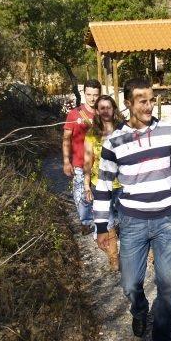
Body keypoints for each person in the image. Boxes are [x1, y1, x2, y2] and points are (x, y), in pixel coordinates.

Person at [95, 77, 171, 341]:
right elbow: (104, 186)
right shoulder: (114, 142)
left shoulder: (169, 132)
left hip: (167, 220)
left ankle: (162, 338)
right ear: (128, 103)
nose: (148, 105)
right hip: (132, 223)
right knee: (130, 284)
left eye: (151, 99)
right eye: (142, 100)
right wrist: (102, 227)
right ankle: (140, 309)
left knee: (169, 285)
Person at [83, 95, 124, 270]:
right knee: (108, 224)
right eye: (102, 108)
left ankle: (132, 256)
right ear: (98, 111)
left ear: (114, 109)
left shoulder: (123, 131)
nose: (106, 111)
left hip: (122, 185)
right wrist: (86, 185)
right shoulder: (92, 134)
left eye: (109, 107)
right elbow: (87, 161)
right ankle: (114, 259)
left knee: (125, 221)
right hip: (100, 185)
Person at [63, 79, 101, 234]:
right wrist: (66, 161)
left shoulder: (104, 113)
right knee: (82, 197)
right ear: (84, 93)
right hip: (79, 163)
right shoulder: (74, 114)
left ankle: (105, 226)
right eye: (89, 94)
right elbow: (66, 138)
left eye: (95, 95)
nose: (92, 98)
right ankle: (85, 222)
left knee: (103, 197)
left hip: (101, 165)